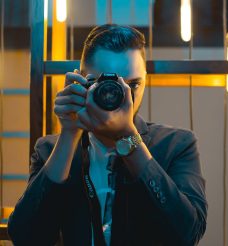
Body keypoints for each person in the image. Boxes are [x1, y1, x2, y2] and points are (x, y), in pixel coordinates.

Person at [8, 24, 207, 246]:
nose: (120, 95)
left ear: (146, 80)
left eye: (132, 84)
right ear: (81, 81)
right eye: (106, 84)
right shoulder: (50, 150)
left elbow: (187, 234)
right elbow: (26, 237)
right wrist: (69, 134)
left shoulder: (176, 145)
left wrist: (127, 136)